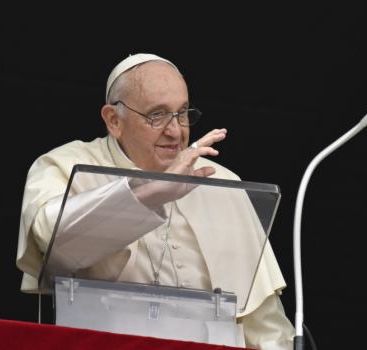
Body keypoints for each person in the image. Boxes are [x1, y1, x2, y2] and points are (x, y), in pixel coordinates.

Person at [16, 53, 295, 349]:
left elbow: (264, 321)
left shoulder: (222, 182)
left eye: (183, 113)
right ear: (113, 120)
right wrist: (150, 193)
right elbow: (53, 236)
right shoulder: (64, 165)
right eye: (157, 115)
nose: (176, 131)